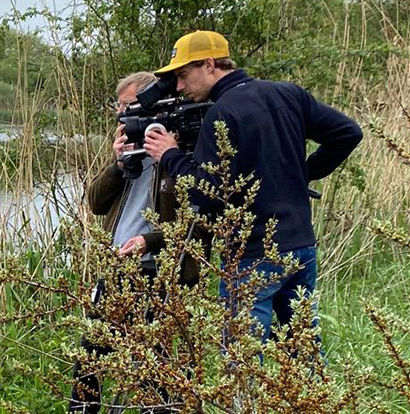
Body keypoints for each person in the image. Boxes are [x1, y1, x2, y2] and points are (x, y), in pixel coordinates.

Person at [144, 30, 363, 342]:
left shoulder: (221, 113)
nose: (179, 86)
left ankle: (244, 395)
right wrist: (302, 175)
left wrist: (170, 155)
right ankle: (314, 392)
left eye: (183, 75)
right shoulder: (288, 94)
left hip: (253, 256)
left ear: (209, 64)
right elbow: (347, 133)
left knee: (242, 359)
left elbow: (209, 194)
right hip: (301, 245)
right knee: (303, 350)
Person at [70, 72, 207, 414]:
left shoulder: (182, 149)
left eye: (130, 107)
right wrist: (118, 164)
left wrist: (149, 240)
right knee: (90, 361)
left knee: (156, 368)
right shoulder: (129, 148)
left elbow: (199, 222)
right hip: (118, 268)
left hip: (163, 274)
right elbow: (96, 203)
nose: (123, 116)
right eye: (119, 108)